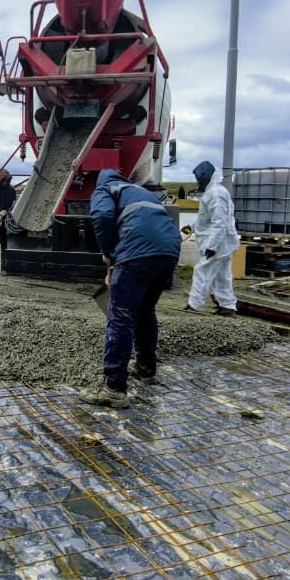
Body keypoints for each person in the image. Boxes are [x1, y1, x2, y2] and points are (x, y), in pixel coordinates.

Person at [78, 169, 182, 408]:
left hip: (137, 253)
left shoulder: (105, 189)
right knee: (145, 311)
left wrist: (108, 252)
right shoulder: (140, 191)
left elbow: (102, 216)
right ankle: (146, 370)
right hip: (169, 252)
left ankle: (114, 388)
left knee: (121, 317)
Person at [186, 160, 240, 315]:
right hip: (221, 243)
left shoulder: (215, 194)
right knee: (222, 276)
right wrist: (192, 225)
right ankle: (228, 306)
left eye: (198, 179)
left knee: (202, 271)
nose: (197, 182)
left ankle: (195, 305)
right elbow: (207, 218)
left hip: (217, 243)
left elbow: (220, 222)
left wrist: (212, 246)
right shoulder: (214, 193)